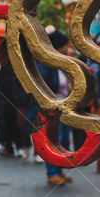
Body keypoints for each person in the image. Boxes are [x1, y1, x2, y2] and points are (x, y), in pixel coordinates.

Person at [39, 31, 75, 186]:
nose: (67, 48)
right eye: (65, 45)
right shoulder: (48, 65)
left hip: (64, 110)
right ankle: (52, 173)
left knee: (63, 141)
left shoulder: (61, 64)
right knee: (53, 141)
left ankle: (59, 171)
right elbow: (45, 87)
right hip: (53, 111)